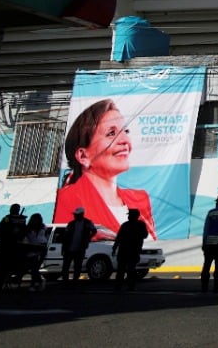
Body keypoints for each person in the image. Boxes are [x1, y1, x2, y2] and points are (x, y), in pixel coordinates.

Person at [53, 98, 156, 239]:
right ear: (83, 156)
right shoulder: (67, 199)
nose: (125, 140)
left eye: (126, 131)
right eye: (111, 133)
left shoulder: (140, 199)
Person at [112, 208, 148, 291]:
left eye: (130, 215)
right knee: (125, 269)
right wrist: (114, 247)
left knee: (127, 269)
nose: (129, 217)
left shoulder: (133, 225)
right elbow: (119, 237)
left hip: (130, 250)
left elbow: (119, 237)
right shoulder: (128, 225)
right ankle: (124, 286)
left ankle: (125, 285)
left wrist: (115, 247)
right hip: (128, 250)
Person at [60, 206, 97, 286]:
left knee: (77, 266)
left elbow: (94, 230)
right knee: (66, 266)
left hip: (80, 249)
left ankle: (75, 282)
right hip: (69, 248)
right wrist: (63, 248)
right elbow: (65, 236)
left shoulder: (88, 223)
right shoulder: (71, 224)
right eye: (75, 214)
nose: (75, 216)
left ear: (82, 214)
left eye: (77, 214)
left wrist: (88, 238)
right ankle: (65, 282)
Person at [22, 213, 49, 289]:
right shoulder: (29, 228)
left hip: (40, 249)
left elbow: (45, 239)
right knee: (34, 268)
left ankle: (34, 284)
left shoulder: (43, 227)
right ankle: (38, 282)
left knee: (35, 268)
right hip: (33, 249)